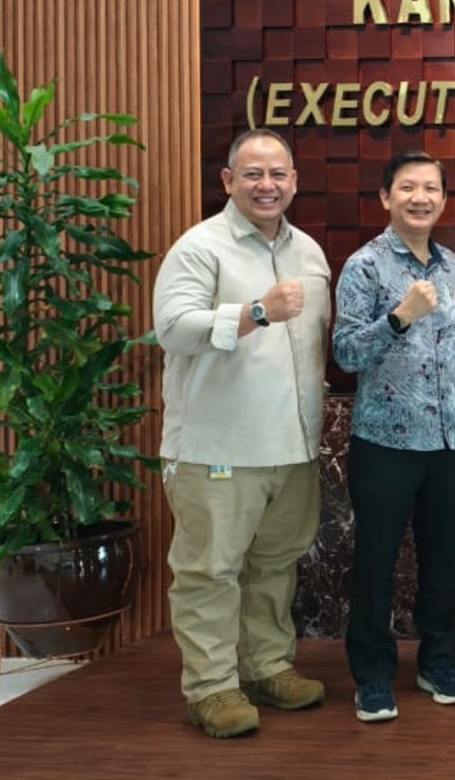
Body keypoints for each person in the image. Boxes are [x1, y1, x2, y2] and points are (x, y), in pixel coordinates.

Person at [153, 128, 331, 738]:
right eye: (253, 174)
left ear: (294, 182)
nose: (267, 185)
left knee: (275, 566)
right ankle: (211, 688)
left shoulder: (310, 252)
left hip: (292, 448)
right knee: (209, 572)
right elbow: (173, 329)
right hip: (217, 449)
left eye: (278, 174)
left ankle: (266, 667)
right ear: (228, 181)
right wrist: (256, 312)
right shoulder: (200, 247)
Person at [332, 150, 455, 723]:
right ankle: (372, 675)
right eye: (408, 188)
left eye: (431, 188)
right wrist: (400, 316)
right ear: (386, 198)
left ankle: (438, 662)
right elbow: (345, 353)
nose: (421, 198)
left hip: (448, 441)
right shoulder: (364, 266)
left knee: (443, 562)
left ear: (443, 198)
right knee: (376, 563)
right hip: (385, 443)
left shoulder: (453, 267)